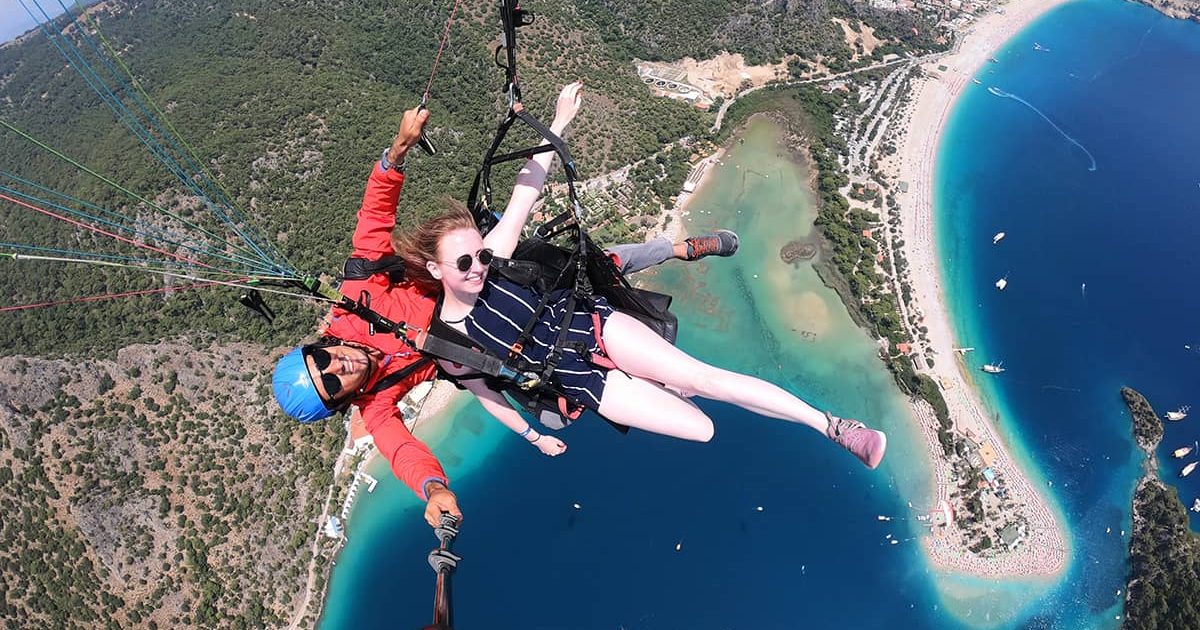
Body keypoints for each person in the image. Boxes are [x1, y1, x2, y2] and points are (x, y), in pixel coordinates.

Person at [271, 101, 742, 527]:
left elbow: (372, 224)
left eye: (323, 361)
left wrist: (397, 152)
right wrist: (434, 490)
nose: (340, 367)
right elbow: (402, 451)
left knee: (592, 266)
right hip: (483, 343)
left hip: (471, 279)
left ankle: (678, 248)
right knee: (556, 392)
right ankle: (661, 382)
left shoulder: (358, 299)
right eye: (333, 384)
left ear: (321, 345)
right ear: (341, 401)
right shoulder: (376, 403)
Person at [396, 81, 888, 469]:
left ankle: (831, 426)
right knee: (703, 429)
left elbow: (525, 191)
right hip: (580, 380)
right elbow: (486, 394)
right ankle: (669, 379)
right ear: (436, 271)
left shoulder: (495, 259)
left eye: (479, 256)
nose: (479, 267)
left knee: (707, 378)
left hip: (592, 326)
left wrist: (558, 123)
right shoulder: (449, 340)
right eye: (464, 264)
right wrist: (535, 437)